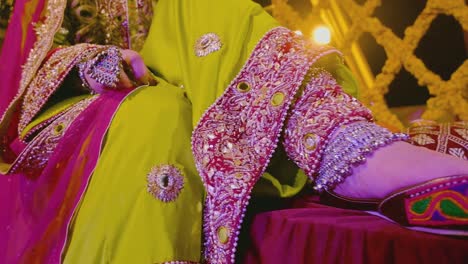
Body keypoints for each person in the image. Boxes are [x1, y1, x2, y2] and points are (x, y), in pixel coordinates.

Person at [0, 0, 466, 263]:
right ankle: (347, 154)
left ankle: (341, 144)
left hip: (179, 86)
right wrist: (92, 63)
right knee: (154, 115)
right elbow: (18, 78)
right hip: (69, 114)